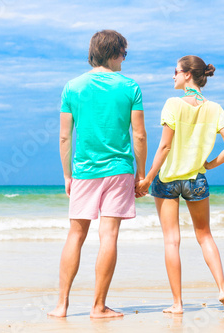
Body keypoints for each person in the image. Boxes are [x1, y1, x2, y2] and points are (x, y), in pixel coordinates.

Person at [48, 30, 147, 318]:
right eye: (124, 54)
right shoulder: (130, 87)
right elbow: (138, 135)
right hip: (118, 170)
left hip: (83, 171)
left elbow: (65, 137)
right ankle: (98, 306)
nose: (124, 60)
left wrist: (67, 174)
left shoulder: (72, 87)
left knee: (75, 235)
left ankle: (61, 305)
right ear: (116, 53)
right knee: (109, 236)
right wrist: (141, 174)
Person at [136, 55, 224, 314]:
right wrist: (209, 165)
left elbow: (165, 146)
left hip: (168, 180)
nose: (173, 76)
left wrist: (147, 178)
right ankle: (223, 290)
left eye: (176, 72)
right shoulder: (215, 108)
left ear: (187, 75)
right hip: (196, 179)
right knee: (205, 236)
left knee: (172, 241)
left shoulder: (172, 104)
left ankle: (178, 304)